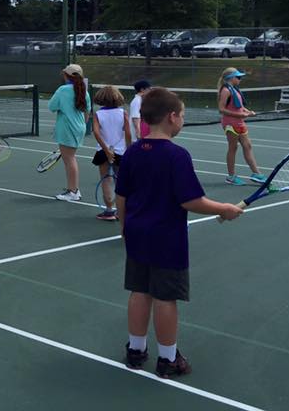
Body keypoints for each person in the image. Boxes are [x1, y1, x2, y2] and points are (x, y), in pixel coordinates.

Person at [116, 87, 243, 378]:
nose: (182, 120)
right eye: (182, 115)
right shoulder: (177, 155)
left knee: (139, 291)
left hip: (137, 234)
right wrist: (224, 208)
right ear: (172, 117)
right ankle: (168, 359)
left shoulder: (133, 152)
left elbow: (121, 196)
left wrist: (124, 227)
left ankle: (135, 351)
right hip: (166, 238)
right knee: (165, 297)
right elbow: (190, 200)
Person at [48, 63, 91, 201]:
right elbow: (87, 113)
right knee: (70, 159)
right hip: (79, 128)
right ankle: (73, 189)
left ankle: (73, 191)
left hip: (67, 128)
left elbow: (51, 106)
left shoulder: (62, 90)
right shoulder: (84, 90)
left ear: (66, 76)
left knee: (69, 160)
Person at [217, 68, 267, 186]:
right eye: (238, 77)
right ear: (231, 78)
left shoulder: (235, 89)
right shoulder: (226, 90)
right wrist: (240, 115)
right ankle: (231, 176)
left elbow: (239, 106)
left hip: (240, 123)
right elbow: (221, 109)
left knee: (247, 146)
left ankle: (256, 174)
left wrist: (248, 111)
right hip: (230, 124)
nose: (240, 79)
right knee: (233, 148)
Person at [91, 85, 131, 221]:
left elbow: (96, 133)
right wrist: (129, 149)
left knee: (106, 180)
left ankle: (109, 211)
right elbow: (128, 133)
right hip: (121, 152)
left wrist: (106, 150)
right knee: (121, 181)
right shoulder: (123, 113)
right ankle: (121, 211)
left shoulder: (98, 114)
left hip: (103, 152)